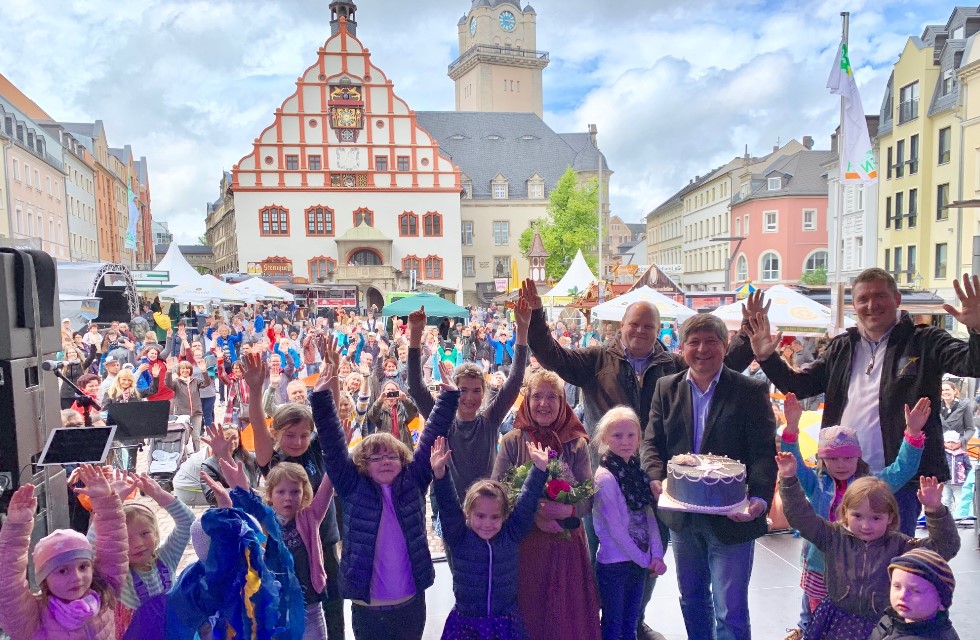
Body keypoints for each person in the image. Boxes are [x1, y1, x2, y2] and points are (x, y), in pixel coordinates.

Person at [746, 268, 980, 535]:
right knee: (838, 556)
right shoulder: (842, 347)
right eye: (863, 299)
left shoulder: (924, 341)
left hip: (899, 479)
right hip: (841, 475)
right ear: (854, 305)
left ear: (897, 299)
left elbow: (971, 363)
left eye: (880, 296)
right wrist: (767, 357)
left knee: (890, 560)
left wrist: (977, 329)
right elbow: (797, 386)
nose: (871, 305)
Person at [641, 313, 777, 640]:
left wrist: (759, 500)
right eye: (694, 342)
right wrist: (656, 476)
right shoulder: (665, 388)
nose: (702, 349)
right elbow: (650, 442)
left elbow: (762, 452)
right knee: (692, 599)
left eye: (711, 341)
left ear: (725, 345)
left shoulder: (750, 390)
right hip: (683, 518)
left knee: (730, 608)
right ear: (682, 347)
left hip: (732, 517)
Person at [312, 352, 459, 640]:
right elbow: (332, 443)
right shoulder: (352, 486)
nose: (385, 460)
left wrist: (450, 397)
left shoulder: (413, 480)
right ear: (362, 464)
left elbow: (431, 435)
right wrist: (320, 398)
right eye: (375, 457)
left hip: (411, 601)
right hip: (368, 606)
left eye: (392, 455)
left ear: (404, 459)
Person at [779, 393, 929, 639]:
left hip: (859, 571)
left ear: (858, 456)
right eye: (833, 458)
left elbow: (903, 469)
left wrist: (912, 435)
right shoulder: (817, 485)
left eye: (848, 457)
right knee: (810, 618)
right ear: (822, 459)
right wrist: (792, 428)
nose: (841, 464)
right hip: (819, 565)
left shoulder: (871, 486)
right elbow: (792, 465)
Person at [777, 455, 960, 639]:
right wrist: (788, 480)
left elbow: (945, 547)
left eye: (876, 518)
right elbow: (800, 517)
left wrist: (935, 510)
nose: (866, 525)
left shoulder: (901, 546)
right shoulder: (833, 536)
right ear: (845, 513)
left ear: (890, 517)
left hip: (883, 624)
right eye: (858, 516)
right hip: (837, 621)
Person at [491, 369, 601, 640]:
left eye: (552, 396)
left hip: (566, 545)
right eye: (537, 396)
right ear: (526, 401)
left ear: (563, 401)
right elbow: (497, 492)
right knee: (529, 610)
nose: (544, 403)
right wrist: (534, 513)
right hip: (524, 544)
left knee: (564, 613)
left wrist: (570, 509)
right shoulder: (512, 442)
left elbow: (588, 496)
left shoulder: (576, 443)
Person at [243, 351, 345, 639]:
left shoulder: (315, 450)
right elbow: (259, 424)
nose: (298, 441)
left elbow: (332, 415)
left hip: (325, 539)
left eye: (303, 435)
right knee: (298, 609)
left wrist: (333, 373)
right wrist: (254, 389)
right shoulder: (271, 458)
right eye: (290, 436)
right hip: (290, 550)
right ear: (277, 435)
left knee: (334, 606)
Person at [431, 435, 549, 639]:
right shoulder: (459, 537)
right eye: (480, 516)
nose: (487, 523)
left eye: (495, 517)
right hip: (468, 623)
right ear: (468, 514)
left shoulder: (510, 535)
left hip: (504, 623)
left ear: (504, 516)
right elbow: (449, 506)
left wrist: (538, 471)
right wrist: (440, 475)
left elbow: (527, 501)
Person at [407, 303, 529, 495]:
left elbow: (514, 382)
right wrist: (415, 335)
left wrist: (522, 330)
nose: (470, 397)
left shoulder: (490, 420)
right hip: (451, 508)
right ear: (453, 390)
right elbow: (415, 387)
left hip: (486, 507)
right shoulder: (442, 421)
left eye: (476, 391)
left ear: (484, 392)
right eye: (463, 390)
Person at [0, 465, 127, 639]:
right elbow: (7, 584)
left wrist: (106, 503)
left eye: (83, 567)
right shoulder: (31, 619)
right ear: (44, 579)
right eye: (62, 570)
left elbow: (114, 546)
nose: (76, 577)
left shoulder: (104, 594)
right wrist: (16, 527)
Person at [219, 457, 335, 640]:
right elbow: (246, 501)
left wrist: (335, 454)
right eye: (281, 492)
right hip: (275, 609)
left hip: (310, 607)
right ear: (270, 495)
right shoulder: (264, 520)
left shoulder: (310, 517)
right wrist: (236, 481)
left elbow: (328, 487)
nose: (288, 497)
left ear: (304, 493)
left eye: (295, 492)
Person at [592, 407, 667, 640]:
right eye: (617, 436)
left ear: (639, 438)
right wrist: (646, 560)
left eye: (630, 435)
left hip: (637, 561)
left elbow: (649, 516)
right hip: (615, 563)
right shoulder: (604, 477)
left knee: (631, 621)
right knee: (613, 623)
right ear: (604, 439)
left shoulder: (636, 471)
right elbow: (616, 530)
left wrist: (656, 554)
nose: (625, 442)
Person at [103, 473, 194, 639]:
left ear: (156, 534)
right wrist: (110, 505)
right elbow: (94, 549)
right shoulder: (119, 575)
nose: (138, 543)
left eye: (145, 533)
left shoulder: (167, 559)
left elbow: (188, 523)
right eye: (127, 538)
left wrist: (159, 494)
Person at [868, 549, 960, 640]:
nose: (902, 596)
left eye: (916, 591)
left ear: (941, 601)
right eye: (897, 586)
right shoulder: (893, 619)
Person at [199, 424, 262, 507]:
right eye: (226, 439)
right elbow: (210, 496)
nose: (231, 442)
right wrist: (241, 490)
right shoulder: (208, 465)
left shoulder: (250, 458)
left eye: (234, 438)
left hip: (254, 506)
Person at [368, 380, 420, 450]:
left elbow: (413, 412)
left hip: (403, 445)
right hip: (384, 447)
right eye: (388, 390)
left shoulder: (402, 407)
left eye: (393, 390)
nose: (390, 392)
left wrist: (405, 400)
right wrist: (379, 400)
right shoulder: (379, 408)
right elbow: (371, 415)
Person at [939, 380, 974, 449]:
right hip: (940, 448)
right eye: (942, 390)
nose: (945, 392)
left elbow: (970, 429)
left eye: (947, 390)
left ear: (954, 391)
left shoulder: (965, 406)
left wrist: (961, 441)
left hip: (958, 448)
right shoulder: (935, 407)